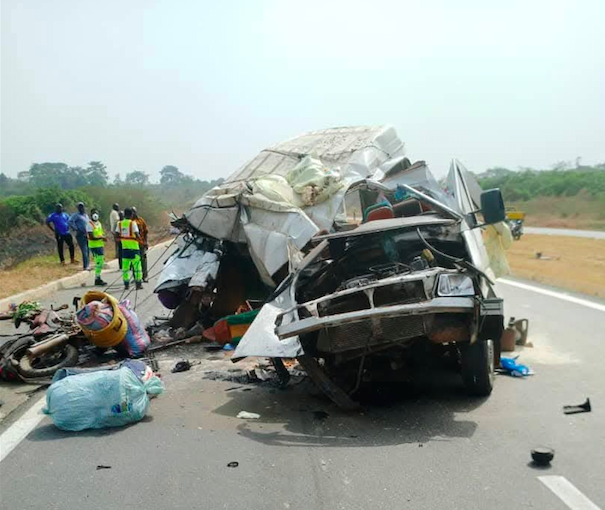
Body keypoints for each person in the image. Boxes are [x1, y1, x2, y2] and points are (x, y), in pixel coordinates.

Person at [115, 207, 143, 290]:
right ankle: (138, 284)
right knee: (137, 268)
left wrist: (121, 240)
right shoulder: (133, 223)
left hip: (125, 249)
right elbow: (137, 235)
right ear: (131, 214)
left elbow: (116, 235)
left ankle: (126, 284)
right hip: (134, 249)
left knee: (125, 268)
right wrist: (142, 243)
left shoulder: (119, 224)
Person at [86, 208, 108, 286]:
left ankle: (98, 278)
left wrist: (103, 237)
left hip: (100, 245)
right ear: (91, 215)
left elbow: (100, 233)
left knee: (100, 262)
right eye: (94, 213)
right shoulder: (89, 224)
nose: (95, 215)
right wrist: (102, 238)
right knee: (98, 262)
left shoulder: (98, 223)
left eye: (96, 213)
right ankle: (97, 279)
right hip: (94, 246)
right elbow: (91, 237)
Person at [68, 202, 90, 270]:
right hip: (80, 234)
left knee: (88, 250)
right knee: (84, 250)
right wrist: (76, 228)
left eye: (82, 206)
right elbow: (70, 222)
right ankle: (85, 266)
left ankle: (87, 264)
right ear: (78, 208)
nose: (82, 208)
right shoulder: (76, 215)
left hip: (87, 234)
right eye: (80, 207)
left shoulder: (86, 215)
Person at [131, 206, 149, 282]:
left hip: (141, 244)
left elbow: (145, 232)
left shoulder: (141, 221)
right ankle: (136, 277)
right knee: (134, 262)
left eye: (134, 211)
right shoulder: (129, 222)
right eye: (132, 212)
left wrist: (145, 242)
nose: (133, 213)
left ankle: (144, 276)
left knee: (143, 260)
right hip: (133, 245)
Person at [109, 203, 122, 269]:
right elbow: (117, 221)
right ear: (115, 207)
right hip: (116, 231)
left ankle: (117, 254)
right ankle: (118, 254)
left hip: (114, 230)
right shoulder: (114, 213)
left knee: (117, 245)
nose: (118, 208)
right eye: (117, 207)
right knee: (119, 246)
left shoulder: (112, 213)